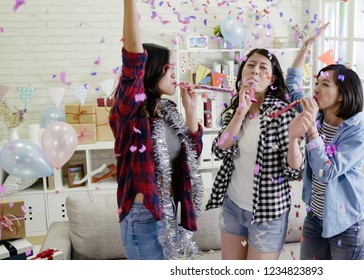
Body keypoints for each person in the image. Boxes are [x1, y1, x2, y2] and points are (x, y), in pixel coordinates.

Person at [109, 0, 204, 260]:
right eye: (167, 68)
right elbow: (133, 60)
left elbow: (193, 155)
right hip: (144, 216)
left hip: (169, 210)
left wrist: (191, 110)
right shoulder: (130, 112)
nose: (174, 73)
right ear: (150, 73)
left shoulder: (168, 110)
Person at [205, 48, 304, 260]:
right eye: (250, 65)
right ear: (242, 73)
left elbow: (294, 171)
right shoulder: (234, 109)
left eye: (263, 67)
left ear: (272, 79)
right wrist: (241, 111)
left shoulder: (281, 113)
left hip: (268, 214)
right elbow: (219, 150)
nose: (255, 71)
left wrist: (295, 139)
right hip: (233, 206)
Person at [286, 23, 364, 260]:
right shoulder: (319, 115)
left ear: (342, 94)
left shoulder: (358, 133)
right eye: (316, 83)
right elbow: (291, 85)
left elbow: (326, 171)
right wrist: (305, 47)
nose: (316, 89)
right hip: (316, 217)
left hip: (348, 223)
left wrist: (311, 128)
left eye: (325, 84)